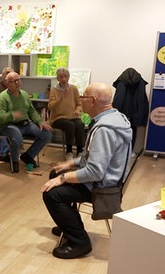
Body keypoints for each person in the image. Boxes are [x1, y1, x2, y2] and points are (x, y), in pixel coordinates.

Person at [41, 82, 132, 259]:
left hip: (103, 187)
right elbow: (91, 156)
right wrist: (68, 165)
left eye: (83, 96)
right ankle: (68, 224)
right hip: (109, 180)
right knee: (55, 174)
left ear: (93, 100)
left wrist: (63, 178)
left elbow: (95, 172)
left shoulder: (104, 130)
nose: (80, 100)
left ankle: (79, 242)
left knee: (51, 194)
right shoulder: (115, 118)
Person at [0, 71, 52, 173]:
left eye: (18, 80)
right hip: (9, 125)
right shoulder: (3, 97)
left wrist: (39, 121)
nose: (17, 83)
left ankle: (28, 156)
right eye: (14, 81)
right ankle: (14, 160)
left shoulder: (25, 94)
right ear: (7, 84)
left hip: (26, 124)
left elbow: (31, 111)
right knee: (17, 137)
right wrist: (12, 115)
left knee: (46, 134)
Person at [48, 68, 85, 161]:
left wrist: (77, 110)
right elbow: (50, 107)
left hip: (72, 116)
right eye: (61, 77)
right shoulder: (54, 90)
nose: (63, 79)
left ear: (68, 77)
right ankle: (69, 151)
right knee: (70, 125)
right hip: (58, 118)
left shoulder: (73, 88)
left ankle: (80, 151)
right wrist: (59, 100)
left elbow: (79, 104)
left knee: (80, 124)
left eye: (65, 76)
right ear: (57, 78)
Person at [112, 67, 149, 149]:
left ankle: (120, 150)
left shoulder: (121, 81)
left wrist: (114, 112)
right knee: (133, 131)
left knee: (119, 131)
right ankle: (131, 150)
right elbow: (142, 98)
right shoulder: (140, 82)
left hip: (123, 112)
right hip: (136, 111)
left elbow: (119, 98)